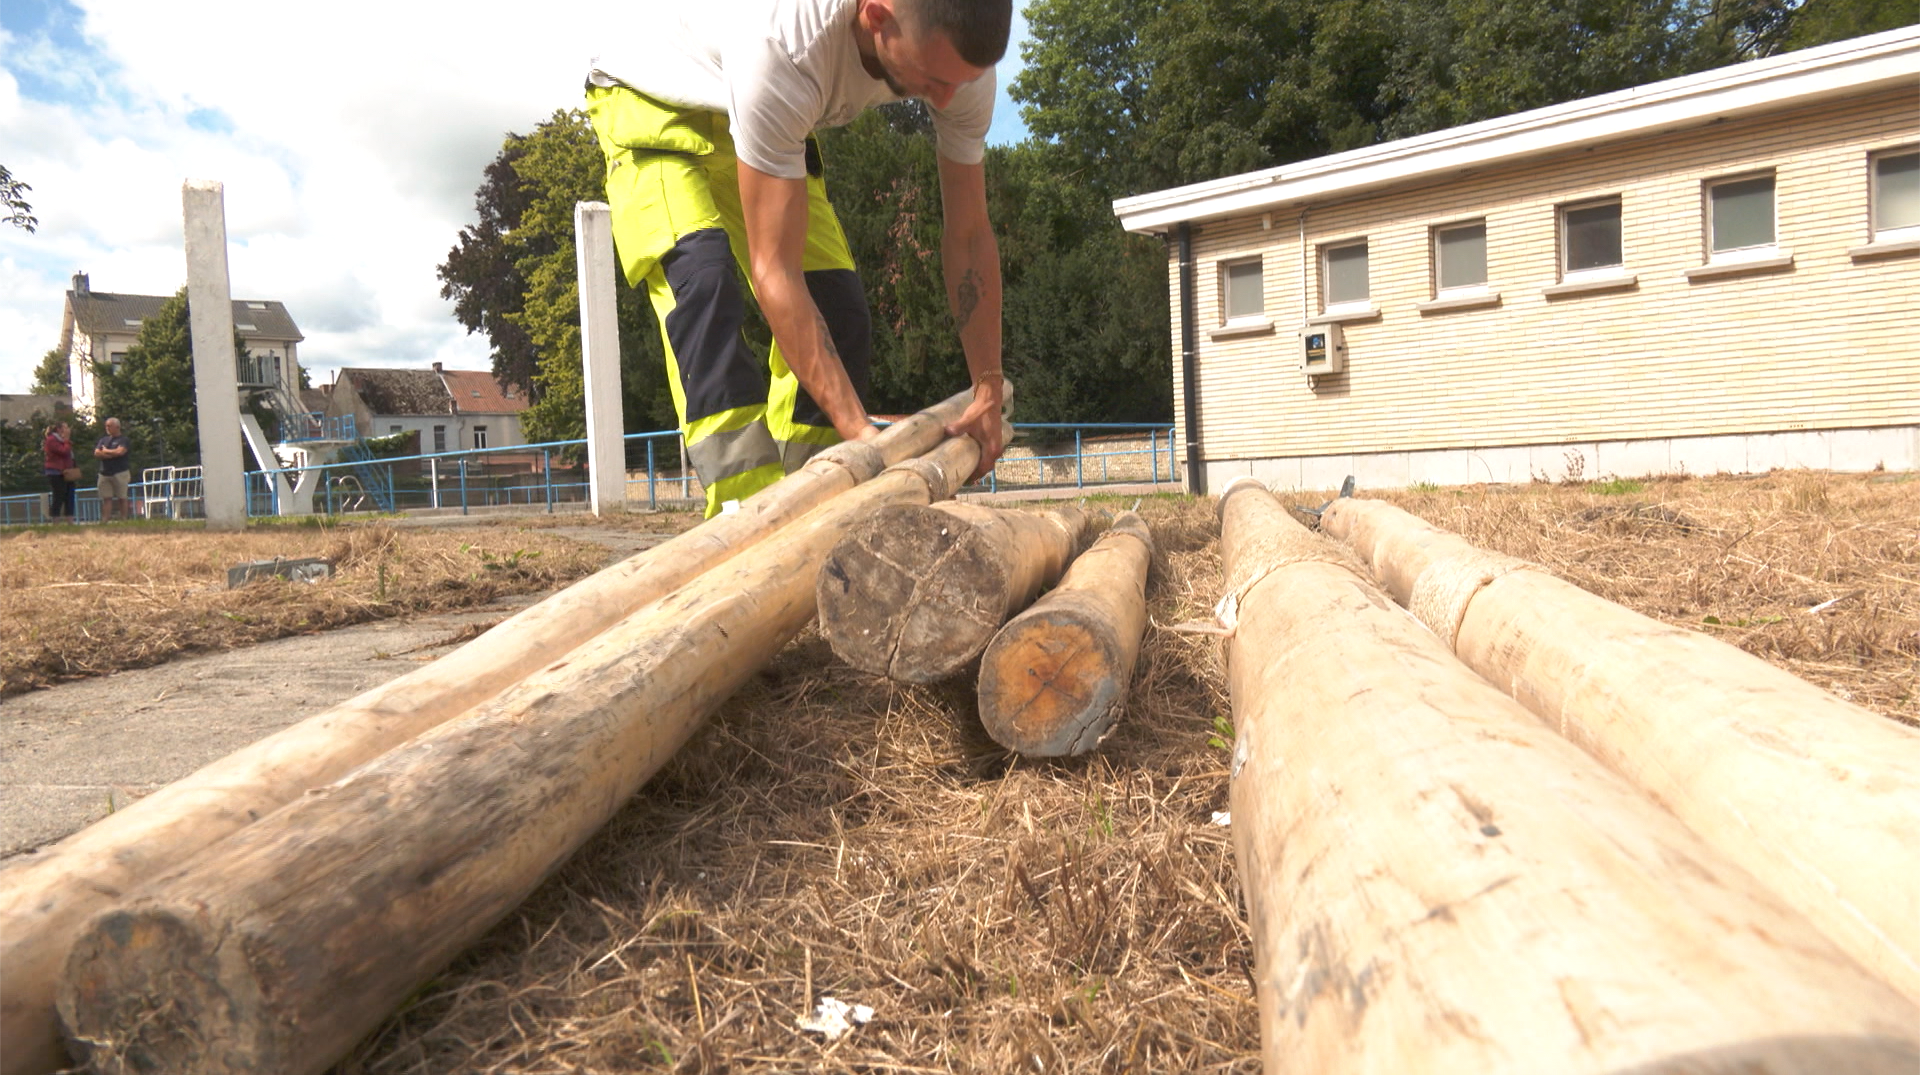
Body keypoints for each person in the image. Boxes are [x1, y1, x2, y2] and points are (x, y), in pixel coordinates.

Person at [586, 0, 1012, 517]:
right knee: (705, 287)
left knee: (839, 308)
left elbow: (969, 236)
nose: (946, 98)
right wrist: (862, 435)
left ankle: (818, 501)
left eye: (959, 81)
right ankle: (745, 517)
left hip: (760, 108)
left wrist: (987, 385)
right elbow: (775, 270)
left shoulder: (963, 72)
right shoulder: (784, 41)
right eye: (931, 78)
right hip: (652, 98)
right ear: (877, 17)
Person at [93, 417, 132, 522]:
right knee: (106, 498)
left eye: (109, 426)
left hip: (120, 472)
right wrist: (111, 453)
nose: (107, 428)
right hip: (104, 473)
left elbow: (120, 452)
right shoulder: (103, 440)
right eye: (106, 426)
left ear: (117, 427)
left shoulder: (123, 440)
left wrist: (106, 451)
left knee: (122, 497)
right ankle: (105, 520)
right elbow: (97, 452)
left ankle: (124, 519)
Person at [42, 421, 77, 522]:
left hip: (68, 471)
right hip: (55, 472)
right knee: (59, 495)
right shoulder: (51, 439)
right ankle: (55, 519)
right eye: (66, 427)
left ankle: (70, 518)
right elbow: (63, 451)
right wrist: (66, 440)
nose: (68, 429)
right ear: (59, 429)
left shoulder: (63, 440)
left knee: (69, 495)